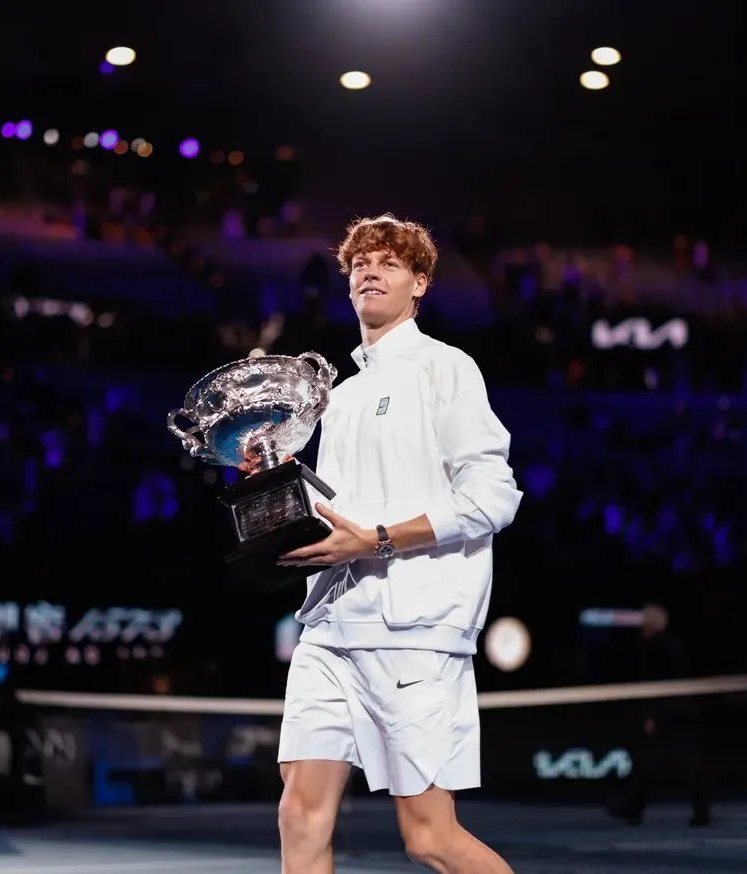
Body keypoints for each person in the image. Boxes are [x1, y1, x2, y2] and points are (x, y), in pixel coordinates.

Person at [259, 214, 523, 872]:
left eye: (389, 263)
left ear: (420, 284)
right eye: (359, 265)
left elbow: (494, 496)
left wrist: (377, 539)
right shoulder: (340, 398)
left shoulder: (446, 369)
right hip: (328, 629)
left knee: (429, 837)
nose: (370, 272)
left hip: (414, 632)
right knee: (298, 813)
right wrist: (270, 481)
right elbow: (336, 515)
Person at [611, 604, 711, 827]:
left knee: (666, 763)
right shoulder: (671, 645)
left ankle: (632, 807)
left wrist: (650, 713)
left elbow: (656, 683)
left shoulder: (656, 647)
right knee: (661, 762)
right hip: (679, 710)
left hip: (669, 712)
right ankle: (633, 807)